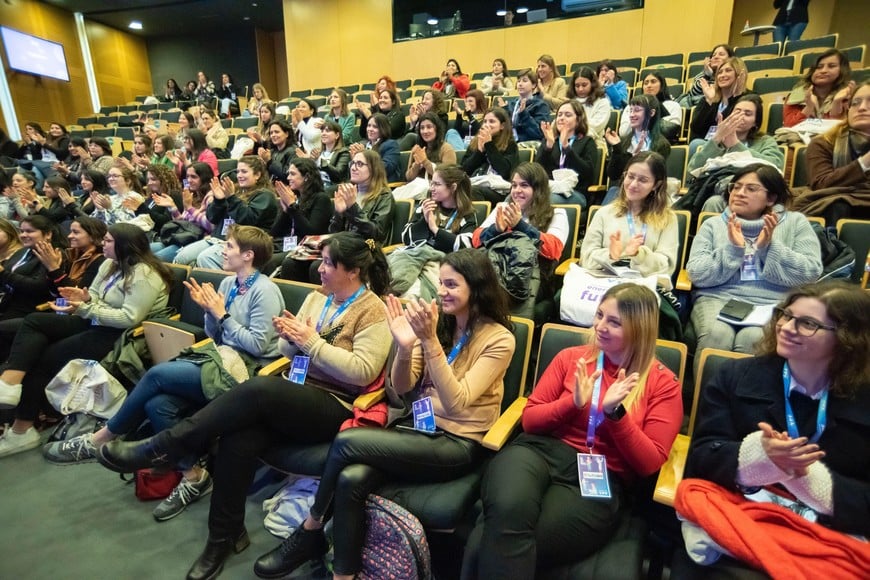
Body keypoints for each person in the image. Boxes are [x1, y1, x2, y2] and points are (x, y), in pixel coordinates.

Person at [95, 232, 393, 580]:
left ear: (354, 271)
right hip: (296, 394)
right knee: (239, 437)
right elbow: (284, 350)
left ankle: (163, 446)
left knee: (259, 389)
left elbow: (362, 372)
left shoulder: (374, 310)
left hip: (337, 404)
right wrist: (292, 337)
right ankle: (223, 536)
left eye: (328, 263)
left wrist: (309, 342)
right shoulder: (318, 298)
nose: (320, 268)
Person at [253, 248, 515, 580]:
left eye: (452, 285)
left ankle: (310, 529)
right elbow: (403, 388)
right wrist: (405, 348)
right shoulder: (438, 325)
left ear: (477, 288)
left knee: (347, 442)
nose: (442, 292)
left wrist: (430, 342)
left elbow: (457, 404)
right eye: (441, 283)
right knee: (350, 479)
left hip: (458, 442)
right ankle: (343, 575)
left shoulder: (499, 339)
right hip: (417, 428)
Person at [44, 226, 284, 521]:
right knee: (157, 404)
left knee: (158, 375)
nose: (223, 250)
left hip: (248, 371)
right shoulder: (228, 284)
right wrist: (210, 313)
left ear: (248, 255)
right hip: (220, 357)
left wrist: (221, 314)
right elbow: (217, 336)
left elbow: (258, 345)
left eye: (230, 246)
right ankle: (194, 475)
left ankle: (101, 437)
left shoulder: (265, 290)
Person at [465, 283, 682, 578]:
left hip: (601, 477)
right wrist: (573, 402)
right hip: (538, 453)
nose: (600, 326)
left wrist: (615, 415)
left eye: (614, 322)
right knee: (507, 511)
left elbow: (649, 463)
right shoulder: (572, 358)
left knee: (488, 540)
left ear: (639, 330)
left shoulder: (662, 384)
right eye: (600, 315)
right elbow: (530, 420)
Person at [678, 281, 869, 576]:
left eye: (807, 323)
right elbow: (700, 460)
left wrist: (813, 482)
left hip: (827, 540)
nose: (787, 327)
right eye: (785, 315)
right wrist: (755, 458)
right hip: (741, 522)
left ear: (847, 339)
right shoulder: (735, 376)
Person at [0, 223, 172, 457]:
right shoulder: (110, 264)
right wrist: (85, 297)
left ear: (124, 246)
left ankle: (22, 426)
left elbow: (129, 318)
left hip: (118, 335)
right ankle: (10, 385)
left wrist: (86, 308)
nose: (103, 243)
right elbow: (97, 295)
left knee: (42, 357)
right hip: (95, 320)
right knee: (34, 322)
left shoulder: (144, 274)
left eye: (109, 241)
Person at [686, 164, 822, 374]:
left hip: (772, 302)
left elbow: (810, 272)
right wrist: (733, 249)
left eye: (751, 189)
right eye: (736, 187)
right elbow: (697, 274)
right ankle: (706, 405)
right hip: (718, 298)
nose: (739, 193)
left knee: (753, 338)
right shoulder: (713, 224)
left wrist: (769, 248)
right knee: (716, 335)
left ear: (771, 198)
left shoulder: (796, 223)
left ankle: (744, 406)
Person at [473, 162, 569, 318]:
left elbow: (554, 249)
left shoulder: (557, 214)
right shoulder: (503, 208)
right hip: (498, 268)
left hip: (534, 276)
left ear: (538, 189)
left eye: (524, 185)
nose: (517, 191)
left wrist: (520, 226)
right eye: (514, 185)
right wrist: (495, 229)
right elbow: (476, 239)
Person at [581, 152, 679, 289]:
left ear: (656, 185)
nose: (633, 184)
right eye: (630, 176)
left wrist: (639, 254)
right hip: (604, 286)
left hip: (643, 289)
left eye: (643, 180)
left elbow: (667, 266)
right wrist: (610, 254)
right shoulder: (604, 213)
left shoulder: (668, 218)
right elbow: (586, 259)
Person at [389, 165, 478, 299]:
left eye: (437, 184)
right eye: (431, 183)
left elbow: (466, 246)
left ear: (453, 187)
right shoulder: (427, 206)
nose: (431, 188)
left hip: (444, 264)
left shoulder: (467, 214)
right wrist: (424, 221)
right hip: (414, 258)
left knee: (413, 294)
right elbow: (406, 238)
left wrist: (435, 229)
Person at [176, 156, 278, 269]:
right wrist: (219, 200)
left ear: (257, 175)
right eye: (238, 171)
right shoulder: (235, 190)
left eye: (244, 171)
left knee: (205, 258)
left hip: (244, 244)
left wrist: (231, 197)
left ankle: (224, 286)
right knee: (181, 257)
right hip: (218, 239)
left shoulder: (265, 195)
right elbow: (212, 218)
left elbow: (248, 219)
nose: (239, 175)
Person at [793, 81, 870, 225]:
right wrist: (865, 162)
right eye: (855, 103)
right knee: (837, 205)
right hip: (836, 207)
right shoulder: (823, 143)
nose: (862, 108)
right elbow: (822, 184)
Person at [688, 94, 785, 180]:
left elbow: (776, 165)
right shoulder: (718, 141)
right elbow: (693, 168)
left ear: (755, 122)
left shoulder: (765, 141)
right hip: (714, 187)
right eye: (737, 112)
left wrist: (736, 144)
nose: (740, 117)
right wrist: (716, 138)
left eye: (747, 114)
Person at [604, 95, 672, 204]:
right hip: (623, 190)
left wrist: (636, 157)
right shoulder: (623, 141)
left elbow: (653, 177)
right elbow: (614, 175)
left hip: (648, 194)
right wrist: (617, 149)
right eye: (630, 111)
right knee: (613, 191)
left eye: (637, 110)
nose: (631, 115)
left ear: (651, 113)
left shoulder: (662, 145)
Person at [273, 158, 332, 281]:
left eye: (293, 174)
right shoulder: (294, 198)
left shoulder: (321, 199)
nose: (288, 177)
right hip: (288, 245)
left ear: (306, 177)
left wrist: (292, 207)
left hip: (308, 249)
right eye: (288, 173)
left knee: (274, 261)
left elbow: (312, 232)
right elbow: (275, 232)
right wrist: (286, 211)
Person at [0, 215, 63, 324]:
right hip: (8, 305)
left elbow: (38, 287)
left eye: (29, 231)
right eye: (22, 231)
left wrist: (3, 273)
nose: (23, 235)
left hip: (31, 311)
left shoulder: (54, 255)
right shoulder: (22, 252)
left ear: (48, 234)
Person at [149, 162, 215, 262]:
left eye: (194, 177)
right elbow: (185, 223)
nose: (189, 180)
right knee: (143, 251)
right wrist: (173, 208)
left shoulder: (211, 198)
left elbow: (211, 225)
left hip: (198, 240)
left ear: (204, 179)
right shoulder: (191, 195)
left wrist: (190, 208)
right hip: (183, 237)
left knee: (154, 259)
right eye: (187, 176)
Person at [537, 99, 598, 207]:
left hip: (576, 192)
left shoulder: (587, 142)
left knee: (547, 200)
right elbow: (538, 171)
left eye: (568, 115)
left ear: (578, 120)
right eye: (559, 115)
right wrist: (548, 146)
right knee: (514, 197)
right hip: (550, 189)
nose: (562, 118)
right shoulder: (550, 141)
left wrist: (566, 147)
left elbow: (587, 173)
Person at [328, 150, 394, 247]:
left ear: (373, 168)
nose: (354, 168)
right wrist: (339, 213)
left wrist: (352, 207)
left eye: (360, 164)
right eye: (353, 163)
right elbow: (334, 232)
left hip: (367, 250)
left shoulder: (384, 196)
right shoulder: (350, 193)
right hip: (346, 246)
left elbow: (376, 233)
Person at [461, 108, 519, 204]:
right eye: (484, 121)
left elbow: (504, 171)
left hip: (498, 189)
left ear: (502, 126)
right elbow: (464, 170)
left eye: (491, 121)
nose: (486, 125)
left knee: (473, 191)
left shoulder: (510, 144)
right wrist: (479, 152)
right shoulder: (475, 143)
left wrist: (489, 145)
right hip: (475, 182)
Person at [783, 49, 853, 128]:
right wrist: (808, 108)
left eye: (831, 66)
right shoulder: (797, 94)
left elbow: (840, 129)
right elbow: (788, 127)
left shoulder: (848, 95)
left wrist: (836, 103)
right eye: (819, 67)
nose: (823, 71)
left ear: (842, 70)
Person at [689, 56, 750, 144]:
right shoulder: (710, 97)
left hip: (733, 143)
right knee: (696, 144)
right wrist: (709, 102)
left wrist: (735, 97)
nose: (722, 75)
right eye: (720, 72)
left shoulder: (748, 98)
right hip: (707, 144)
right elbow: (695, 128)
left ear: (739, 74)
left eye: (728, 70)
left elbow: (736, 124)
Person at [619, 72, 683, 142]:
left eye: (653, 82)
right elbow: (623, 133)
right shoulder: (631, 107)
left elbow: (670, 130)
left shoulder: (672, 105)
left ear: (662, 85)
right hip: (634, 146)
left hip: (661, 146)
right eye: (646, 83)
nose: (649, 85)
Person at [496, 68, 550, 143]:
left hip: (528, 142)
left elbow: (538, 133)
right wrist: (505, 111)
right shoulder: (511, 104)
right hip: (510, 142)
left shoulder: (541, 105)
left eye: (524, 81)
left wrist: (524, 114)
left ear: (533, 85)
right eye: (518, 81)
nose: (520, 84)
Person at [348, 113, 402, 183]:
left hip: (381, 185)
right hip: (361, 185)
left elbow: (386, 169)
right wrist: (354, 160)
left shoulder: (390, 144)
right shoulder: (363, 144)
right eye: (369, 126)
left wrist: (365, 156)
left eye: (375, 127)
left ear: (383, 129)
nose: (370, 129)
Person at [405, 112, 457, 181]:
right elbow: (409, 178)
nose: (425, 131)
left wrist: (425, 162)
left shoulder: (446, 149)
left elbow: (449, 176)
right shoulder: (417, 149)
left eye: (429, 127)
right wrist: (417, 165)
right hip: (417, 188)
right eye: (422, 128)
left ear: (437, 129)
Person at [680, 44, 734, 108]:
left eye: (721, 54)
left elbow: (721, 92)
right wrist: (707, 75)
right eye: (713, 55)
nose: (716, 57)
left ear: (730, 58)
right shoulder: (703, 74)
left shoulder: (731, 74)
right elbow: (694, 93)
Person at [567, 67, 611, 146]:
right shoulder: (569, 102)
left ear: (592, 84)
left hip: (593, 142)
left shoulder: (602, 102)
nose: (580, 89)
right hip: (567, 138)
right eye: (577, 86)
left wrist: (572, 126)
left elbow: (596, 126)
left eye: (584, 85)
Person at [305, 120, 350, 191]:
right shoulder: (318, 153)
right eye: (322, 131)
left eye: (327, 131)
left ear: (337, 135)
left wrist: (319, 161)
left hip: (332, 189)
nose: (323, 134)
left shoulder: (344, 152)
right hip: (316, 187)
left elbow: (338, 175)